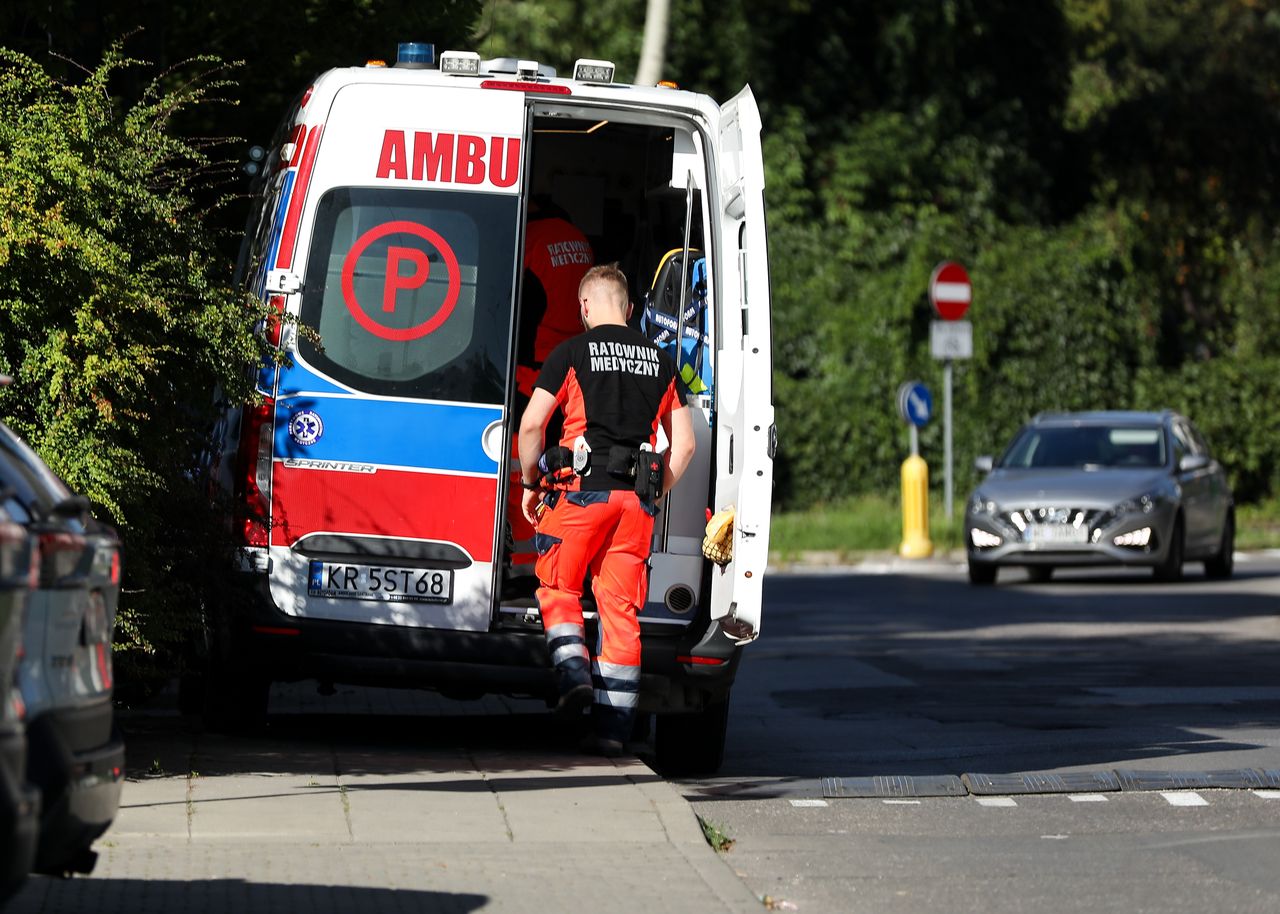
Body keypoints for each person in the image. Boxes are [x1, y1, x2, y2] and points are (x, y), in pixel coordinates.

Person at [517, 264, 696, 755]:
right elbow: (682, 448)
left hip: (579, 494)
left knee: (558, 585)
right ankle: (613, 736)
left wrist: (531, 483)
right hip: (633, 505)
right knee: (620, 614)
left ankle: (573, 674)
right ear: (630, 309)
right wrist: (654, 493)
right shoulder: (661, 362)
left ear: (584, 307)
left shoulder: (571, 352)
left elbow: (532, 428)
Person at [505, 198, 595, 582]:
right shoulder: (579, 240)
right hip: (573, 375)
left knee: (519, 466)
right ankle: (557, 561)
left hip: (533, 373)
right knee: (563, 468)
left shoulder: (527, 242)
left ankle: (525, 564)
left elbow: (515, 311)